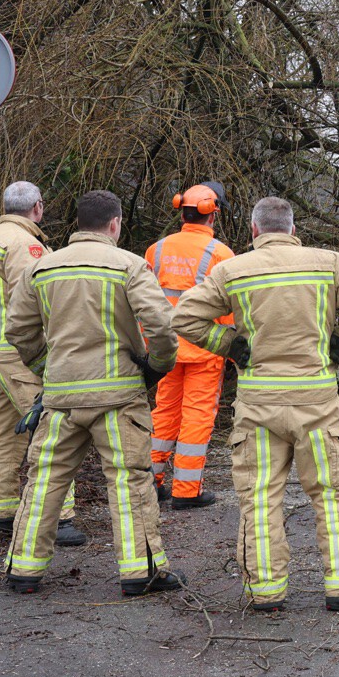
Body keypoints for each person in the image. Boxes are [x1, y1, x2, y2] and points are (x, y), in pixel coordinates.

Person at [172, 197, 339, 612]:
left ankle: (265, 591)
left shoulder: (232, 270)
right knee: (333, 494)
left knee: (259, 497)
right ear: (292, 229)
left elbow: (183, 317)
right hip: (317, 402)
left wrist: (230, 345)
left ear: (254, 230)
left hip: (258, 404)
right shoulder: (328, 264)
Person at [2, 190, 181, 596]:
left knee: (44, 481)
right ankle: (140, 572)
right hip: (118, 398)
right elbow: (161, 326)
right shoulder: (129, 266)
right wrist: (156, 366)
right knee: (129, 481)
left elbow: (18, 330)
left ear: (78, 223)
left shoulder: (41, 268)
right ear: (115, 223)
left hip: (60, 398)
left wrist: (45, 368)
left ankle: (23, 569)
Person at [0, 181, 84, 546]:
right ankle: (58, 518)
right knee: (53, 427)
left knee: (0, 432)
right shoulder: (26, 244)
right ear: (38, 207)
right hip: (18, 353)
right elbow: (40, 291)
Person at [143, 182, 236, 509]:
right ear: (212, 214)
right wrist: (233, 351)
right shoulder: (221, 255)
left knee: (164, 413)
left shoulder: (157, 250)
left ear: (182, 212)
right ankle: (186, 490)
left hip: (165, 349)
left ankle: (150, 483)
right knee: (197, 416)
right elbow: (228, 310)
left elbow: (146, 301)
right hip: (204, 349)